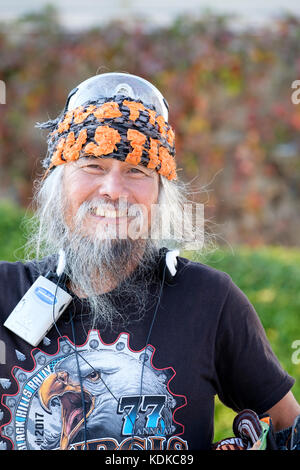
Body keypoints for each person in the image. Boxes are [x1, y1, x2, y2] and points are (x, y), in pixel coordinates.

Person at [0, 72, 299, 451]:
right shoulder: (5, 293)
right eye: (92, 165)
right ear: (59, 183)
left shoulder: (208, 300)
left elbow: (290, 427)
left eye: (136, 171)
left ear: (160, 194)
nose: (112, 190)